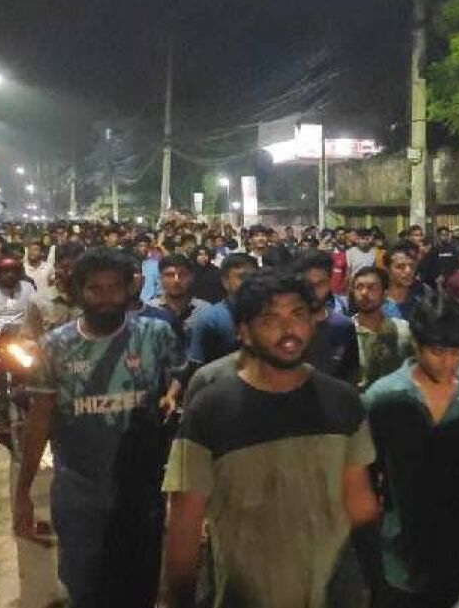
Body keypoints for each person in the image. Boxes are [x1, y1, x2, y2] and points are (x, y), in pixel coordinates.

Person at [162, 269, 379, 608]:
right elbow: (184, 525)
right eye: (270, 319)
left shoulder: (342, 401)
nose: (288, 329)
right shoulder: (212, 410)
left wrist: (377, 585)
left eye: (298, 314)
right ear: (244, 332)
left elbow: (360, 505)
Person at [14, 247, 187, 607]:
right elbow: (39, 420)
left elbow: (178, 379)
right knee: (86, 591)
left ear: (130, 288)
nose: (107, 297)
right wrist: (23, 493)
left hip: (142, 493)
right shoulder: (55, 346)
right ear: (78, 291)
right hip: (80, 497)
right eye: (95, 289)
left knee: (140, 589)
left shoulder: (156, 334)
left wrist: (172, 394)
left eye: (114, 287)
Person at [363, 291, 459, 607]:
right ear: (416, 344)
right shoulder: (385, 397)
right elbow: (367, 473)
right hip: (401, 549)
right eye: (437, 351)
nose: (448, 362)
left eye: (456, 352)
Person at [294, 249, 361, 384]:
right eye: (308, 285)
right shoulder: (287, 327)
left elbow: (350, 376)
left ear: (329, 282)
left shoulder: (343, 327)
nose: (314, 291)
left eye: (320, 284)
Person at [187, 253, 257, 369]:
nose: (248, 282)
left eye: (253, 277)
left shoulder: (267, 314)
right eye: (241, 277)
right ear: (225, 282)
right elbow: (196, 364)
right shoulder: (210, 319)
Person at [351, 266, 412, 390]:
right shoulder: (346, 331)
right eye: (359, 287)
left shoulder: (403, 331)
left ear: (385, 294)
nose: (364, 293)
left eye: (371, 287)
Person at [24, 242, 85, 339]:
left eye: (76, 269)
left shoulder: (90, 301)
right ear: (56, 267)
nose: (71, 273)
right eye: (65, 268)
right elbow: (29, 338)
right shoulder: (38, 301)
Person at [147, 254, 210, 342]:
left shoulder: (206, 311)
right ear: (160, 278)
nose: (176, 280)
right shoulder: (149, 310)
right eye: (169, 275)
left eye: (182, 275)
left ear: (191, 277)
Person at [0, 254, 37, 333]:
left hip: (24, 333)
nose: (10, 274)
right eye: (5, 271)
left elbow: (37, 312)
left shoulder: (27, 287)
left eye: (13, 271)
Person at [383, 242, 428, 320]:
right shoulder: (376, 304)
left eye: (412, 266)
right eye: (400, 266)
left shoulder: (424, 299)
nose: (408, 271)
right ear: (387, 270)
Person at [134, 234, 161, 302]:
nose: (144, 249)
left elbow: (160, 288)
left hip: (151, 302)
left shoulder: (155, 265)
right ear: (135, 248)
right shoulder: (129, 264)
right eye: (141, 246)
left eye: (146, 246)